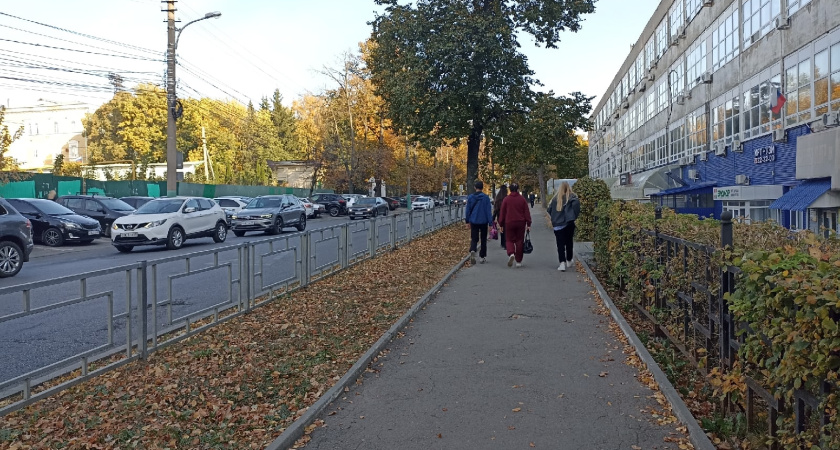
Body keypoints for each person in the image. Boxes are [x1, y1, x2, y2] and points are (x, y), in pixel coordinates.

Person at [548, 181, 581, 272]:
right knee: (569, 242)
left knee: (560, 244)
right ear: (569, 188)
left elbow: (549, 209)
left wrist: (554, 218)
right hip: (569, 223)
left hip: (558, 225)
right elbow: (577, 208)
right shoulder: (572, 197)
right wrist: (573, 216)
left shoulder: (555, 199)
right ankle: (569, 260)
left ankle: (562, 263)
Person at [498, 183, 531, 268]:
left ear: (510, 189)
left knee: (509, 240)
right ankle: (518, 261)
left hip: (509, 222)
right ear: (518, 189)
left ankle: (511, 253)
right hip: (520, 222)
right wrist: (528, 223)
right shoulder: (522, 199)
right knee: (519, 241)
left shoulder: (506, 199)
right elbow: (526, 212)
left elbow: (502, 212)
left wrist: (501, 224)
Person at [464, 180, 493, 264]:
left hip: (474, 220)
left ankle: (473, 250)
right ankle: (482, 256)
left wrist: (467, 221)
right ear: (482, 188)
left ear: (475, 187)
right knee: (483, 239)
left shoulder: (471, 197)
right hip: (484, 221)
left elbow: (468, 210)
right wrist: (490, 223)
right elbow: (488, 211)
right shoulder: (486, 198)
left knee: (474, 238)